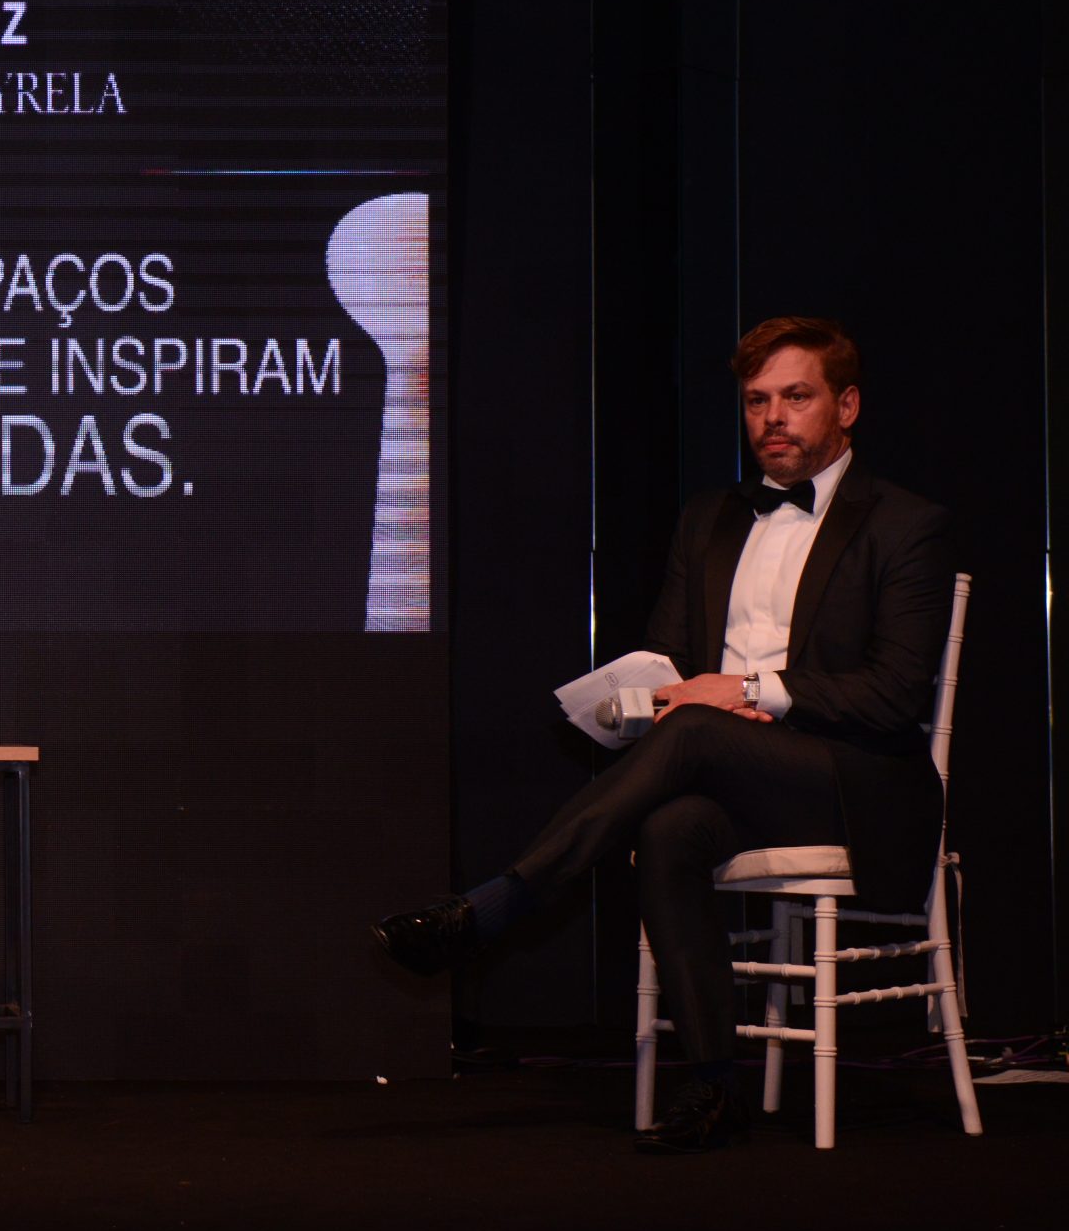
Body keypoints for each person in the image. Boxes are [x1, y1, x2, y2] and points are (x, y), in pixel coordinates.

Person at [373, 316, 954, 1152]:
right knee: (669, 825)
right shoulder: (709, 519)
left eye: (796, 397)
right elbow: (671, 661)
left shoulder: (906, 524)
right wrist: (633, 700)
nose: (773, 418)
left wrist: (756, 690)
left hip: (856, 784)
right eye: (757, 401)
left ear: (848, 405)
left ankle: (495, 907)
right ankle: (716, 1088)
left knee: (693, 741)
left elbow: (896, 695)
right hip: (733, 771)